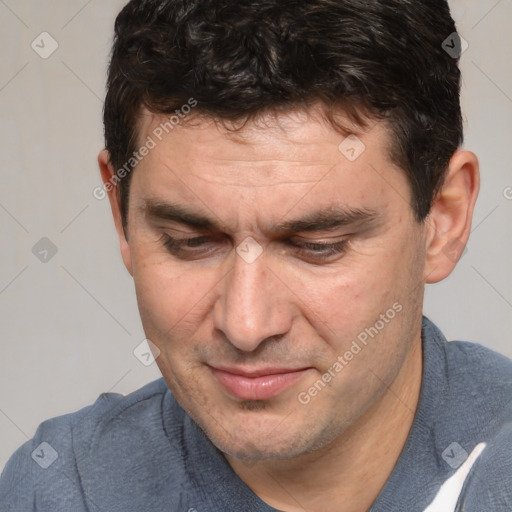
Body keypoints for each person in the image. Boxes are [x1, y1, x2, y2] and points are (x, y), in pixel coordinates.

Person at [1, 0, 511, 510]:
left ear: (443, 221)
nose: (246, 325)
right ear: (121, 215)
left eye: (317, 247)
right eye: (189, 241)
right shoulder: (60, 490)